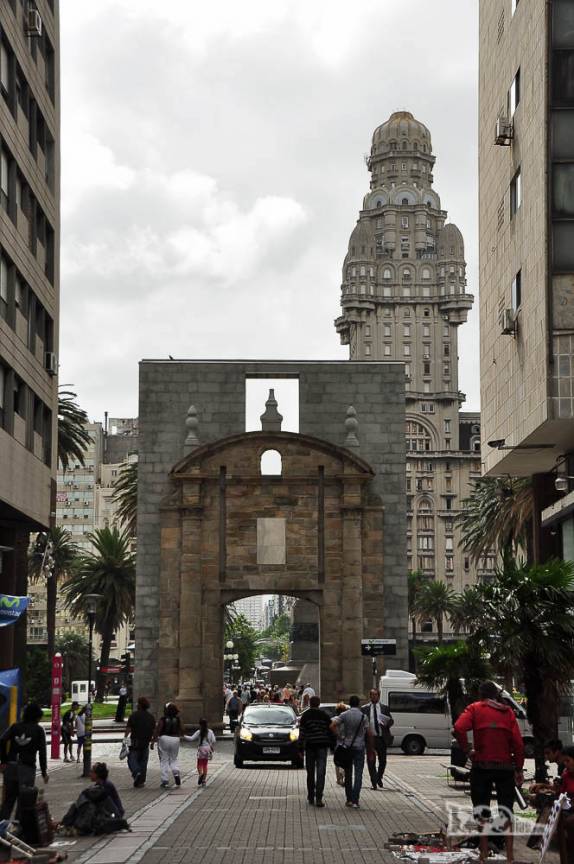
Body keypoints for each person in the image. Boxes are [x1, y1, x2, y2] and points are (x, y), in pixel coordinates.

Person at [454, 680, 524, 864]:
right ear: (495, 695)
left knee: (482, 811)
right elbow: (518, 743)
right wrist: (518, 768)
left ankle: (483, 854)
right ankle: (510, 856)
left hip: (481, 766)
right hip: (505, 768)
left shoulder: (475, 709)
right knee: (507, 812)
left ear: (480, 694)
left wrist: (468, 750)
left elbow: (459, 728)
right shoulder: (507, 712)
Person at [0, 702, 48, 820]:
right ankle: (17, 830)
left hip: (11, 767)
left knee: (8, 801)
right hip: (27, 769)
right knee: (24, 802)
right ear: (37, 716)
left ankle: (1, 828)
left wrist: (4, 761)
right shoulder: (38, 730)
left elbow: (1, 741)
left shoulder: (15, 727)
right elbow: (42, 752)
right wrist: (44, 772)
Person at [59, 762, 127, 835]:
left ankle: (67, 824)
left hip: (114, 815)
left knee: (83, 807)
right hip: (110, 813)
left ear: (97, 774)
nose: (90, 774)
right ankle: (66, 823)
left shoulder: (105, 786)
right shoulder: (100, 785)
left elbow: (104, 806)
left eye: (92, 772)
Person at [330, 695, 373, 809]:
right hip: (359, 747)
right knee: (358, 774)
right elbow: (369, 733)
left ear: (350, 703)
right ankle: (355, 799)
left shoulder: (345, 714)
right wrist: (371, 749)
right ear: (358, 704)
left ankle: (349, 799)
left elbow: (332, 725)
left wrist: (340, 737)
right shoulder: (363, 716)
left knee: (348, 774)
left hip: (347, 747)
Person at [299, 696, 331, 807]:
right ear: (318, 704)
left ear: (310, 703)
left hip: (310, 747)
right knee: (321, 772)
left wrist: (300, 749)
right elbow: (330, 730)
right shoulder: (324, 716)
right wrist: (331, 744)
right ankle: (319, 797)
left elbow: (302, 733)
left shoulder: (305, 716)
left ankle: (310, 795)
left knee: (310, 772)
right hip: (322, 747)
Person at [362, 688, 393, 790]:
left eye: (376, 695)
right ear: (370, 696)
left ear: (378, 696)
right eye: (372, 695)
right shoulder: (365, 708)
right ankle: (373, 782)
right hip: (370, 738)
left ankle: (378, 777)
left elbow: (391, 721)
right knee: (371, 761)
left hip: (381, 737)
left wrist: (387, 722)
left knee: (383, 761)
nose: (374, 696)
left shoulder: (385, 708)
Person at [125, 696, 156, 788]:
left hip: (134, 741)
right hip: (145, 741)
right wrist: (153, 741)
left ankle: (136, 772)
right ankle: (141, 781)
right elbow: (154, 730)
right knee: (143, 761)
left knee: (131, 759)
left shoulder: (134, 715)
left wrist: (125, 740)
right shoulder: (151, 717)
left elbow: (128, 729)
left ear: (139, 705)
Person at [155, 702, 183, 788]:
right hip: (175, 739)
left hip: (164, 738)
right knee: (173, 759)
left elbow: (158, 729)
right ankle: (176, 772)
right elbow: (182, 729)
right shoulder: (178, 719)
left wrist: (153, 740)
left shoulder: (163, 719)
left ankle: (165, 780)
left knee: (164, 760)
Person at [185, 718, 216, 786]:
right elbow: (214, 740)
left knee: (199, 764)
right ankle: (204, 780)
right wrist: (210, 744)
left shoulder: (199, 732)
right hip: (207, 749)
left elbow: (191, 738)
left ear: (200, 725)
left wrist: (184, 736)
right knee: (205, 765)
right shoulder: (210, 731)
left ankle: (200, 774)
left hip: (201, 749)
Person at [557, 745, 574, 864]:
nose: (566, 764)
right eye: (565, 762)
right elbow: (561, 795)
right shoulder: (566, 775)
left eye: (568, 761)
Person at [333, 703, 348, 787]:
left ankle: (339, 779)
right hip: (346, 743)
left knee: (337, 762)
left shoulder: (334, 719)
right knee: (345, 761)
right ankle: (344, 775)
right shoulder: (346, 720)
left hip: (337, 744)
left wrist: (337, 735)